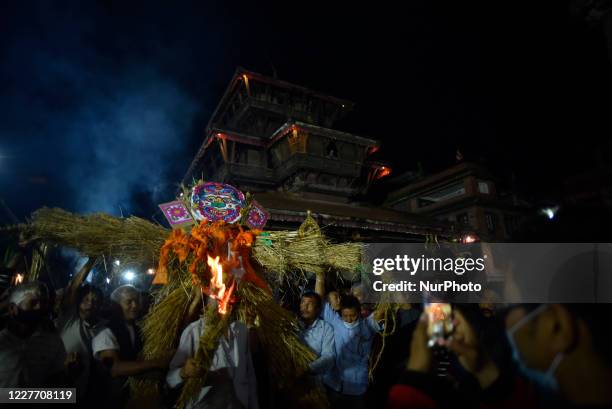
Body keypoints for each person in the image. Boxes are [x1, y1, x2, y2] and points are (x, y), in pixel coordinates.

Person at [166, 296, 259, 409]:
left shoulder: (241, 330)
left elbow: (250, 377)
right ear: (208, 305)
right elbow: (170, 380)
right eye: (219, 298)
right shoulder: (194, 331)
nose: (225, 300)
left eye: (228, 297)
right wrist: (184, 372)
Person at [92, 285, 171, 407]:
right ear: (116, 305)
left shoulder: (136, 329)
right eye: (129, 302)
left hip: (129, 398)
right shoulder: (106, 332)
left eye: (136, 301)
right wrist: (156, 363)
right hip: (108, 399)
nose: (134, 306)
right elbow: (115, 369)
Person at [315, 272, 384, 409]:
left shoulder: (367, 325)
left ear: (359, 312)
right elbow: (319, 301)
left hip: (357, 386)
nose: (349, 319)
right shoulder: (335, 321)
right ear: (341, 313)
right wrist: (320, 276)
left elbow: (381, 312)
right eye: (345, 315)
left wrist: (387, 285)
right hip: (334, 384)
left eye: (352, 315)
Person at [0, 281, 71, 388]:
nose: (39, 307)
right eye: (33, 303)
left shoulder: (53, 342)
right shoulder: (2, 341)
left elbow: (55, 383)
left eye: (43, 303)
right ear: (12, 309)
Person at [57, 284, 107, 405]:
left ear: (100, 305)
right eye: (85, 300)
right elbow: (72, 288)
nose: (90, 304)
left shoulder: (104, 328)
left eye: (95, 301)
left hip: (83, 393)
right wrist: (89, 264)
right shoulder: (69, 319)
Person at [298, 291, 336, 386]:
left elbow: (329, 357)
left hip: (315, 383)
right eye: (303, 302)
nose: (305, 307)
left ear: (318, 309)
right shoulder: (293, 325)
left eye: (309, 304)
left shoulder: (326, 329)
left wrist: (307, 369)